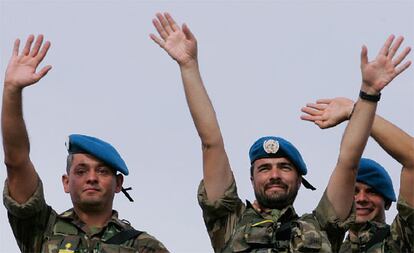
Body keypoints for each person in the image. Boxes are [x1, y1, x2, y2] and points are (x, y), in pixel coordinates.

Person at [150, 12, 411, 252]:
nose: (274, 175)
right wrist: (188, 67)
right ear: (251, 179)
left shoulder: (321, 226)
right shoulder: (229, 222)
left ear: (300, 179)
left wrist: (368, 94)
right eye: (264, 168)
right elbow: (211, 142)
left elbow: (349, 162)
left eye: (285, 167)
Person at [2, 34, 169, 253]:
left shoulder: (142, 246)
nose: (92, 178)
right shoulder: (42, 229)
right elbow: (16, 161)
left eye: (102, 171)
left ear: (118, 183)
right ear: (66, 181)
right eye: (81, 171)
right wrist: (12, 91)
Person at [301, 93, 413, 252]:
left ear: (387, 201)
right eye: (354, 191)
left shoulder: (402, 240)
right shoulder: (324, 244)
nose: (361, 199)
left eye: (372, 191)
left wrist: (356, 111)